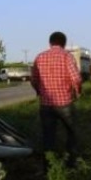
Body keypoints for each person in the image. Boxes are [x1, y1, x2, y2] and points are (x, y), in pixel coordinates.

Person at [30, 31, 82, 172]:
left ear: (50, 43)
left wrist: (40, 92)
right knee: (71, 132)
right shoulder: (67, 56)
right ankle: (71, 164)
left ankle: (48, 169)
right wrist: (77, 91)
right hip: (65, 103)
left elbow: (33, 80)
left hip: (46, 105)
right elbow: (76, 78)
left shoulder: (39, 57)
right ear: (64, 44)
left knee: (48, 137)